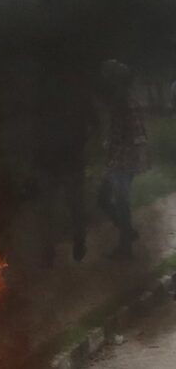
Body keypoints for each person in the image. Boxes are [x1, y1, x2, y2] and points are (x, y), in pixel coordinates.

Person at [37, 64, 97, 267]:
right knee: (60, 208)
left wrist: (84, 144)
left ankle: (63, 246)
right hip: (57, 162)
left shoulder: (65, 96)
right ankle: (53, 248)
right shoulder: (75, 96)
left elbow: (94, 125)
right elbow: (95, 125)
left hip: (64, 162)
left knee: (63, 208)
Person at [98, 59, 150, 260]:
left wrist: (112, 151)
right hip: (126, 159)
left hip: (122, 160)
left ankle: (125, 247)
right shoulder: (127, 99)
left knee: (117, 201)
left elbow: (127, 134)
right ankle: (127, 233)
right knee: (109, 200)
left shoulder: (122, 101)